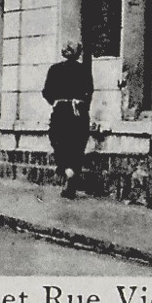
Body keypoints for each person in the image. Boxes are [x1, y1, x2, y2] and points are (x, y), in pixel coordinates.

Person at [43, 41, 93, 199]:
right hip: (78, 112)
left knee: (58, 141)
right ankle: (71, 174)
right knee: (77, 145)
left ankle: (66, 170)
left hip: (61, 112)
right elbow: (89, 91)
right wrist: (82, 105)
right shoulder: (84, 70)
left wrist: (56, 101)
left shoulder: (55, 69)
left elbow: (46, 92)